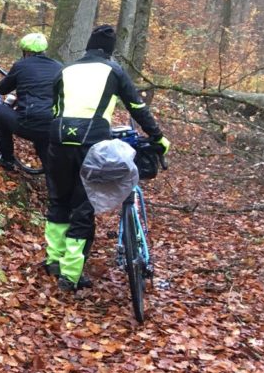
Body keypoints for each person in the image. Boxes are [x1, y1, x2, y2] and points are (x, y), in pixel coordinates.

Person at [44, 24, 170, 292]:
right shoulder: (113, 71)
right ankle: (70, 274)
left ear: (88, 46)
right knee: (83, 206)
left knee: (58, 200)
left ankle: (53, 260)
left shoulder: (65, 70)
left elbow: (55, 108)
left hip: (58, 139)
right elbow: (137, 107)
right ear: (110, 51)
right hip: (92, 143)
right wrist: (157, 137)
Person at [0, 32, 62, 170]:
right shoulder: (59, 67)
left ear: (26, 52)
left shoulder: (21, 65)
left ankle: (6, 159)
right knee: (44, 144)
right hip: (55, 125)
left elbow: (2, 89)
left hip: (29, 122)